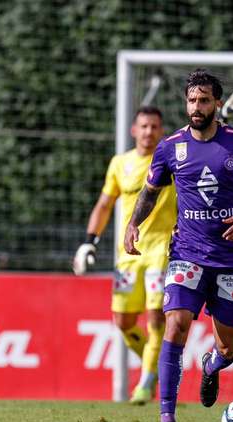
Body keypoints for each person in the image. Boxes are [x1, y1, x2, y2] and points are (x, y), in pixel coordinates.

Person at [123, 69, 233, 422]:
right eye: (192, 100)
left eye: (204, 100)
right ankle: (167, 421)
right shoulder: (170, 147)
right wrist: (133, 224)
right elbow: (151, 190)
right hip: (186, 253)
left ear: (217, 104)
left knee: (229, 346)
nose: (197, 106)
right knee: (174, 324)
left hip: (231, 259)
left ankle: (211, 367)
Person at [73, 106, 176, 405]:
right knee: (123, 320)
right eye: (144, 126)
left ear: (161, 130)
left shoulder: (170, 159)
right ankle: (155, 365)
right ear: (134, 130)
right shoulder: (120, 163)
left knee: (157, 316)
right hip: (128, 254)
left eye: (155, 127)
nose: (149, 132)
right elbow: (104, 204)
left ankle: (145, 381)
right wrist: (89, 242)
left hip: (162, 250)